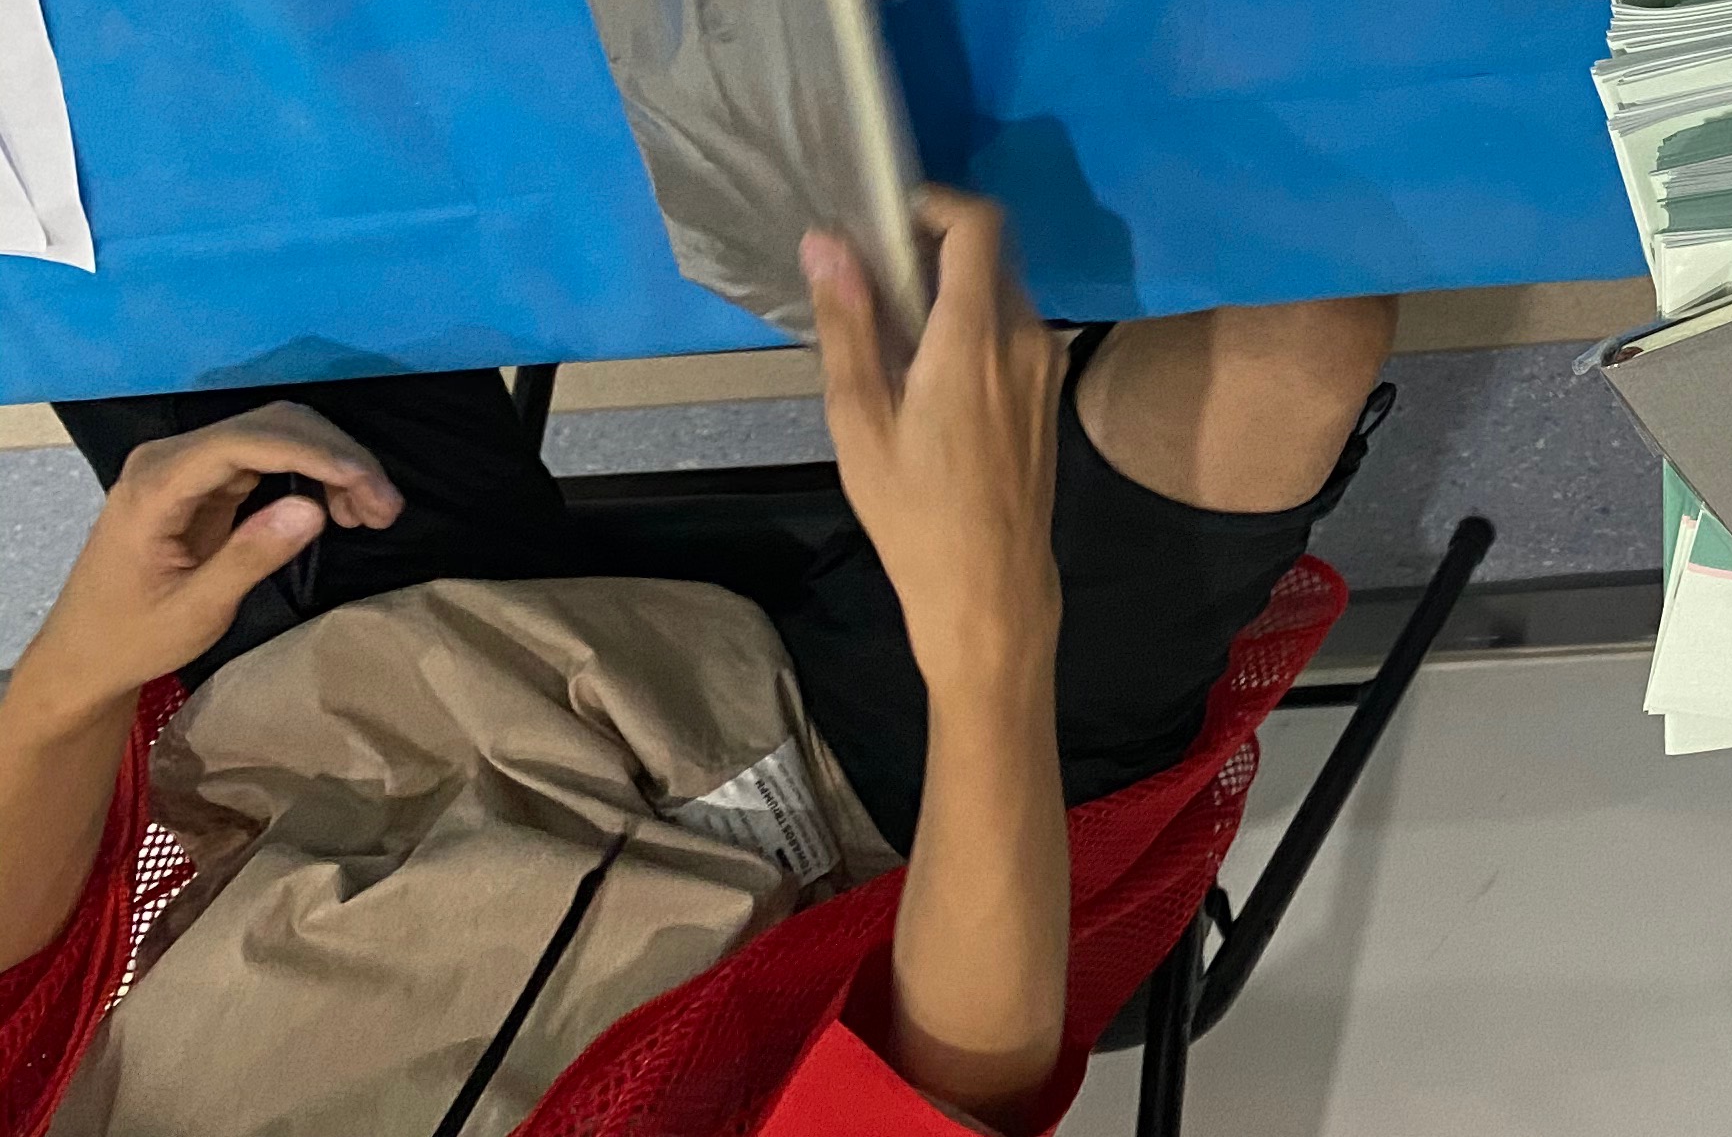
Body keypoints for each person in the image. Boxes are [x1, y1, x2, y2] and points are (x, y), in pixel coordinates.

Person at [0, 188, 1394, 1136]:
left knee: (117, 173)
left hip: (371, 728)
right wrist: (987, 635)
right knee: (1292, 340)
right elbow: (952, 1089)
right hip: (866, 851)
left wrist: (73, 675)